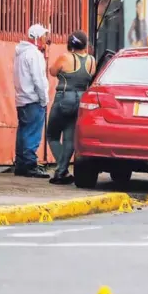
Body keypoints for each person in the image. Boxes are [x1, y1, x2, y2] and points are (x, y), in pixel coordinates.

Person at [47, 31, 96, 184]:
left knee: (52, 135)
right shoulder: (92, 60)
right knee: (69, 137)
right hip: (81, 98)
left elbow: (53, 71)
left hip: (64, 97)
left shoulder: (65, 57)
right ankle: (62, 172)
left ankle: (61, 170)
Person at [13, 24, 50, 178]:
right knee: (32, 133)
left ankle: (21, 164)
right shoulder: (34, 54)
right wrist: (44, 99)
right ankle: (29, 165)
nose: (45, 40)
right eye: (43, 37)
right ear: (36, 38)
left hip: (22, 98)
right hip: (33, 99)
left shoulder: (20, 53)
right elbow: (39, 80)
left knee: (23, 131)